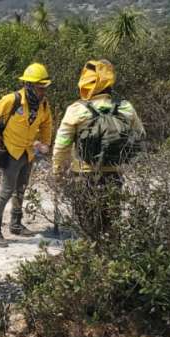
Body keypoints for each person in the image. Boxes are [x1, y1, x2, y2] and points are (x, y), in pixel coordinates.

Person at [52, 59, 145, 232]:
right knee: (111, 225)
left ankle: (89, 256)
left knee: (86, 226)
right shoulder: (126, 107)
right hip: (113, 175)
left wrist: (58, 171)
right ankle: (111, 256)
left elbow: (61, 145)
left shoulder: (76, 109)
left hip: (83, 175)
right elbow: (140, 136)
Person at [0, 63, 54, 247]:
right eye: (40, 88)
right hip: (11, 151)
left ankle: (15, 224)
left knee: (21, 188)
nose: (43, 92)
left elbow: (47, 124)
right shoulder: (12, 100)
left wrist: (46, 142)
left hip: (28, 152)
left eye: (45, 88)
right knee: (6, 191)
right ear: (29, 86)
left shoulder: (43, 105)